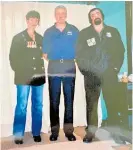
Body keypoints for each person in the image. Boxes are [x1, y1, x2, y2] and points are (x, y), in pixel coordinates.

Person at [76, 8, 129, 143]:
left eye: (97, 13)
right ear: (90, 19)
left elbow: (120, 51)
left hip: (109, 74)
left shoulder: (113, 31)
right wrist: (86, 71)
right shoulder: (84, 34)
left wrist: (115, 68)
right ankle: (91, 133)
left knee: (112, 104)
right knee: (91, 105)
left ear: (102, 16)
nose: (95, 16)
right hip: (91, 76)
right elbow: (79, 55)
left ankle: (116, 134)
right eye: (92, 15)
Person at [42, 5, 79, 141]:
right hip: (54, 66)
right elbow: (45, 54)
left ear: (66, 14)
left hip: (69, 65)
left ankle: (69, 132)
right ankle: (54, 132)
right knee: (54, 100)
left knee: (69, 100)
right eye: (58, 13)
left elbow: (80, 48)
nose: (60, 15)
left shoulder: (74, 30)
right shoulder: (48, 32)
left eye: (63, 13)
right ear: (54, 15)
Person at [9, 10, 45, 144]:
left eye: (36, 18)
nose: (34, 21)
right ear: (27, 20)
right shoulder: (18, 37)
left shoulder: (41, 38)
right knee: (22, 105)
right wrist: (20, 70)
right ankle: (18, 134)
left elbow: (45, 54)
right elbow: (12, 58)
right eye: (31, 18)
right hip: (23, 76)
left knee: (38, 105)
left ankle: (36, 132)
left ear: (38, 21)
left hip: (38, 76)